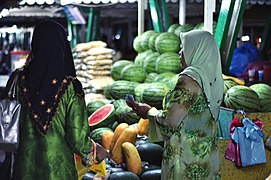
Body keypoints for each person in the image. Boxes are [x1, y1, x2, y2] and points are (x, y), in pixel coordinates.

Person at [3, 20, 108, 179]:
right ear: (62, 46)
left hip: (23, 169)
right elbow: (77, 139)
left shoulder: (17, 80)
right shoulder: (71, 88)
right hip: (59, 172)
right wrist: (95, 151)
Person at [127, 30, 224, 179]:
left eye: (184, 48)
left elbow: (169, 122)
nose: (180, 52)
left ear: (195, 50)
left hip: (185, 161)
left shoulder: (190, 78)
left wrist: (148, 112)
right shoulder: (213, 78)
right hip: (206, 159)